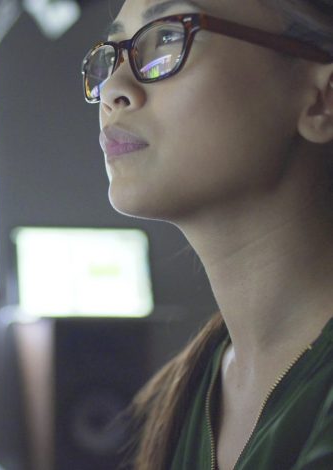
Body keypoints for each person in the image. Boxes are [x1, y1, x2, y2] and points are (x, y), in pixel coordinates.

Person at [82, 0, 333, 468]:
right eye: (110, 55)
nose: (114, 88)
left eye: (167, 39)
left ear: (321, 97)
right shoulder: (182, 392)